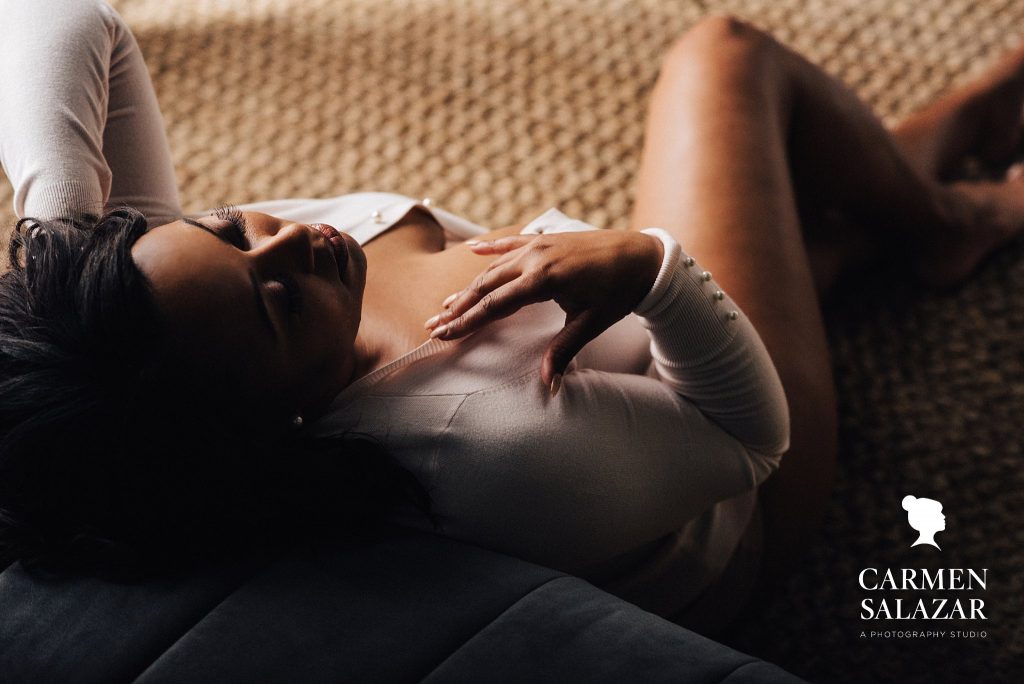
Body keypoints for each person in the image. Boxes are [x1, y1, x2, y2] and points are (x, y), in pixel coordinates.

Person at [1, 0, 1021, 632]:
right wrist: (650, 270)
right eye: (275, 302)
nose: (285, 246)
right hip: (724, 492)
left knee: (789, 220)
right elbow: (748, 440)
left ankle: (898, 191)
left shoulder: (171, 315)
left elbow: (63, 15)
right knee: (724, 58)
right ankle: (946, 220)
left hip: (626, 382)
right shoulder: (475, 446)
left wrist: (62, 238)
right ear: (274, 429)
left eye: (228, 227)